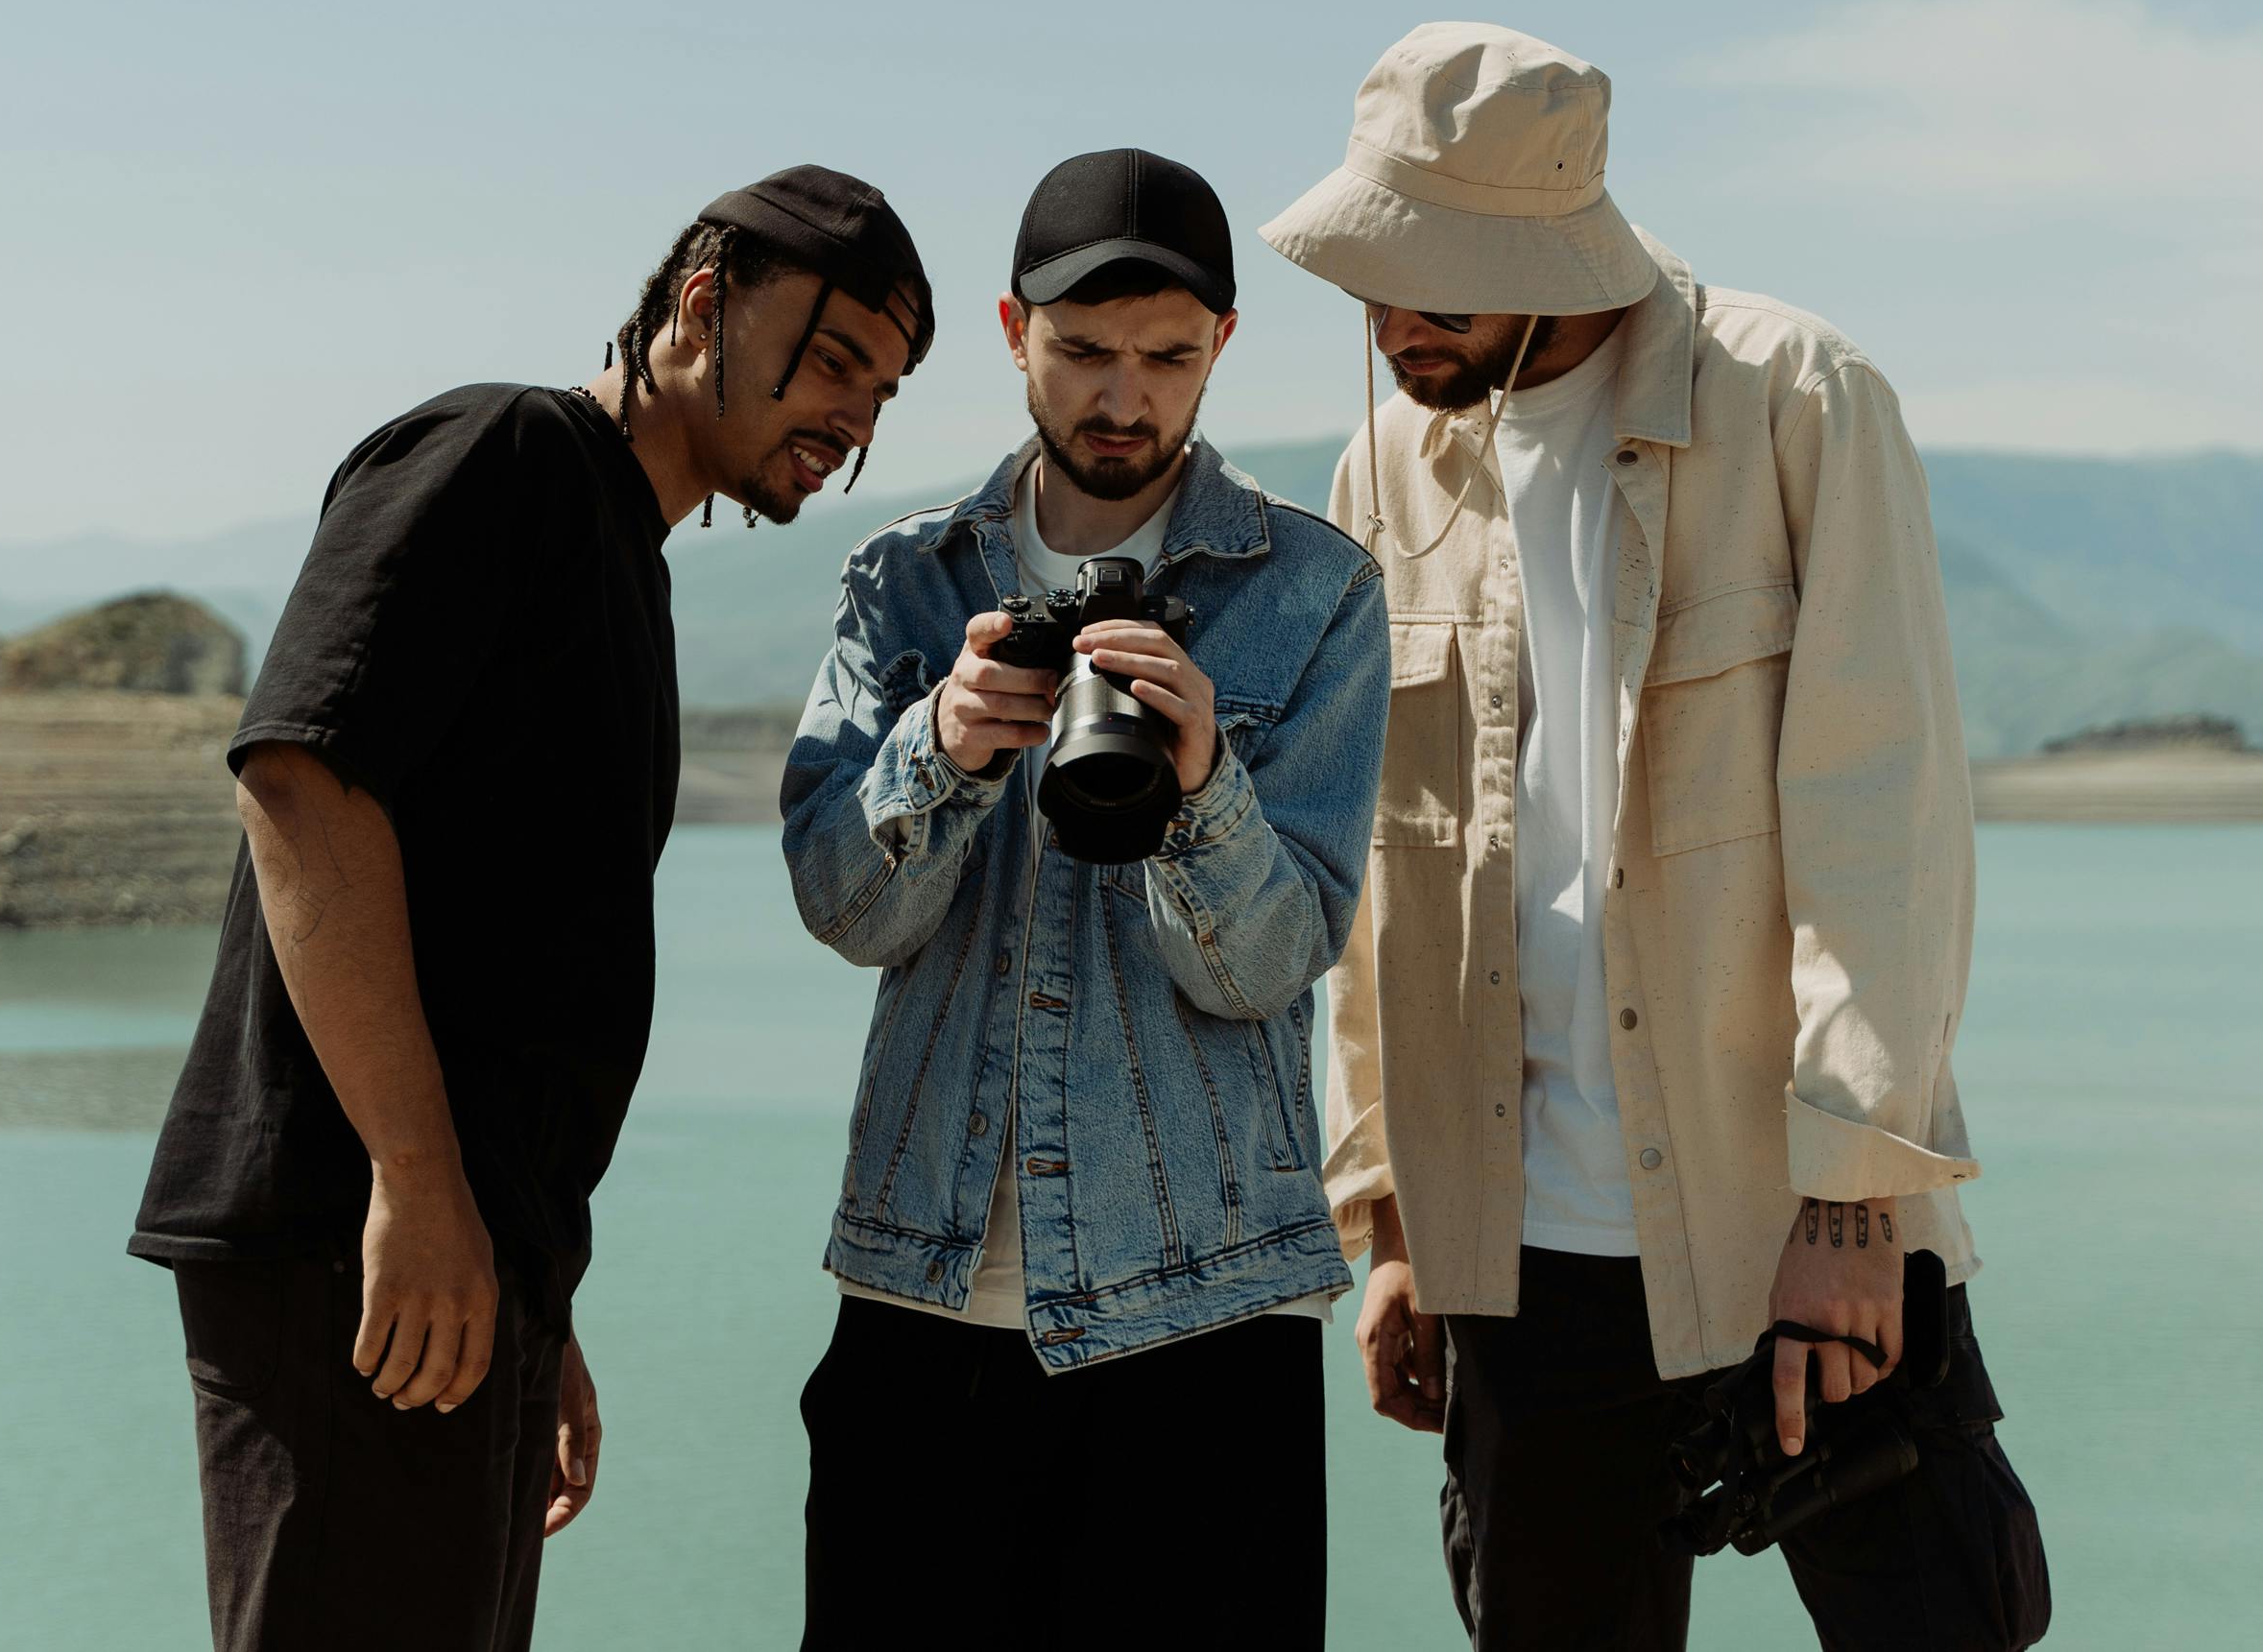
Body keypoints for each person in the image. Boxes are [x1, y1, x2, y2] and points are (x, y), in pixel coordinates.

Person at [1258, 25, 2051, 1650]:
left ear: (1548, 256)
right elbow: (1378, 876)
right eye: (1371, 278)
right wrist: (1390, 1218)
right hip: (1521, 1256)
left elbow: (1880, 820)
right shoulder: (1382, 463)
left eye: (1435, 279)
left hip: (1790, 1222)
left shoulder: (1792, 399)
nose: (1391, 319)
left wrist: (1849, 1207)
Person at [127, 167, 935, 1652]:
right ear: (704, 297)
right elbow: (301, 777)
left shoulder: (621, 549)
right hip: (344, 1259)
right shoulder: (500, 451)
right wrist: (418, 1187)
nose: (853, 421)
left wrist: (524, 1282)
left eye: (882, 393)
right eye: (831, 362)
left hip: (452, 1271)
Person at [779, 148, 1390, 1652]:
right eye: (1086, 353)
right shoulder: (904, 583)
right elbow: (846, 910)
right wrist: (943, 744)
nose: (1127, 397)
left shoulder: (1316, 595)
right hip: (921, 1309)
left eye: (1169, 359)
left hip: (1203, 1321)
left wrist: (1202, 787)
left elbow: (1272, 963)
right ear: (1011, 331)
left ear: (1223, 349)